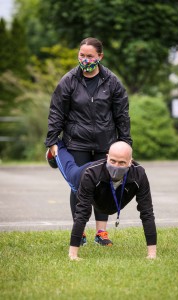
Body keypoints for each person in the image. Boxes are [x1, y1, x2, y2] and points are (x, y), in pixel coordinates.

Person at [45, 37, 132, 246]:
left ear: (100, 57)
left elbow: (122, 115)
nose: (85, 60)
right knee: (79, 187)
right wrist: (52, 141)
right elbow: (56, 112)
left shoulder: (112, 82)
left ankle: (101, 234)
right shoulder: (68, 81)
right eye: (82, 55)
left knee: (104, 186)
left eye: (90, 56)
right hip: (77, 143)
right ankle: (80, 231)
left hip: (106, 143)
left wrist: (126, 143)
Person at [47, 140, 157, 261]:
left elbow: (147, 212)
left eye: (122, 163)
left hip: (107, 197)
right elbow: (82, 212)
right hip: (82, 179)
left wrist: (152, 254)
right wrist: (73, 254)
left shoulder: (139, 174)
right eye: (113, 161)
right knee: (69, 169)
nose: (116, 166)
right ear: (107, 157)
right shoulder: (91, 173)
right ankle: (57, 147)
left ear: (130, 162)